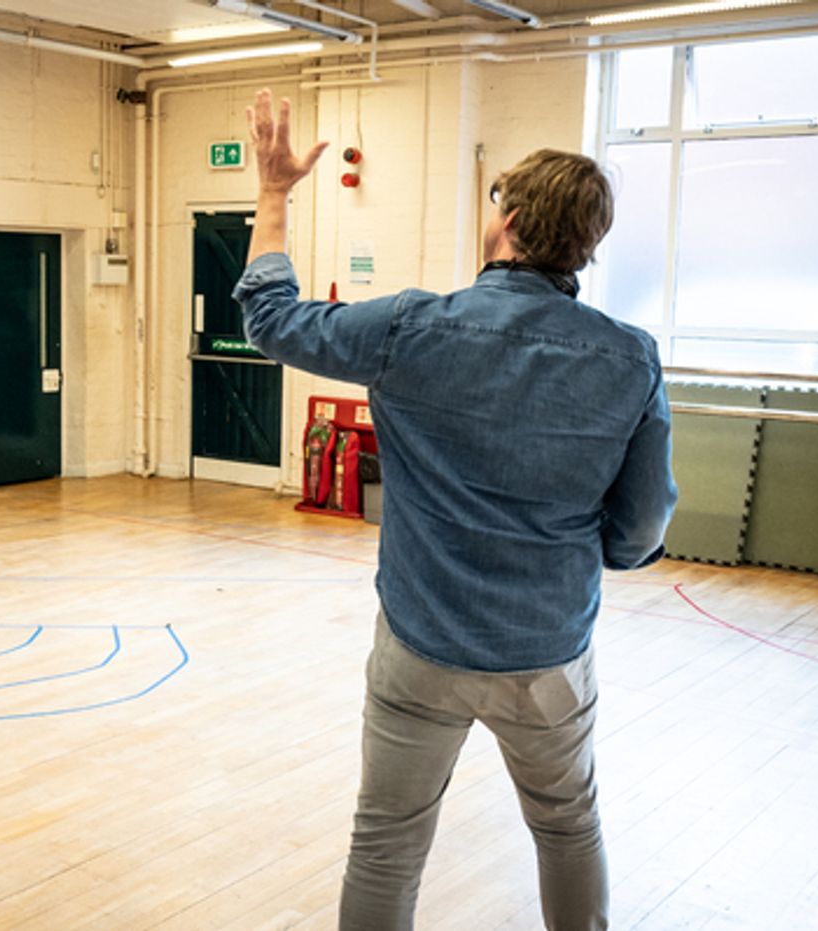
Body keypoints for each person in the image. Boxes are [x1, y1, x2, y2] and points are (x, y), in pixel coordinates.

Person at [233, 90, 678, 930]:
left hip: (421, 643)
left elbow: (271, 319)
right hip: (548, 652)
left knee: (386, 844)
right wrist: (608, 552)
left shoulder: (413, 328)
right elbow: (643, 524)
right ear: (585, 244)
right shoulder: (631, 358)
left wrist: (274, 192)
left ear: (507, 220)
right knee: (568, 825)